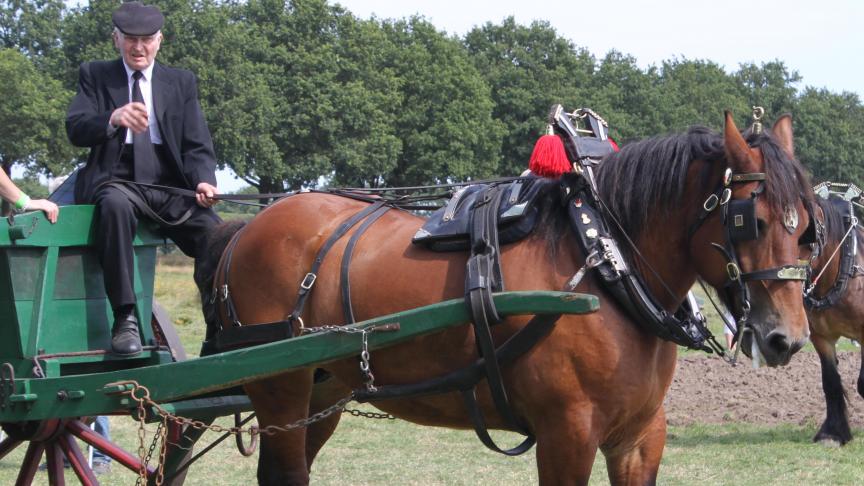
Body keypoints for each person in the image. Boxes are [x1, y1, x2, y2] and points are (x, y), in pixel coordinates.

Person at [65, 1, 221, 357]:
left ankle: (217, 330)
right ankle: (125, 319)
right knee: (114, 206)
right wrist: (113, 117)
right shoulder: (95, 74)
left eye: (147, 39)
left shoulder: (181, 82)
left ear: (159, 40)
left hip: (168, 186)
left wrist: (203, 180)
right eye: (131, 39)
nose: (139, 47)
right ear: (116, 39)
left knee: (218, 236)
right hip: (116, 180)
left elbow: (197, 144)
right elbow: (75, 127)